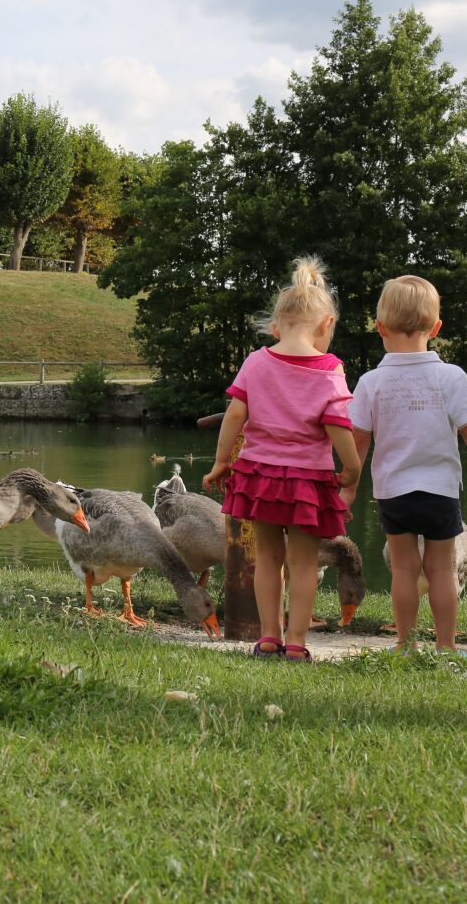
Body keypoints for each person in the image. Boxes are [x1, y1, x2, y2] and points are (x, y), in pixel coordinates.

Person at [342, 275, 467, 653]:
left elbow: (358, 441)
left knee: (405, 571)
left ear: (379, 328)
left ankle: (405, 643)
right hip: (440, 493)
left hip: (394, 494)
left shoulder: (371, 382)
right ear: (437, 328)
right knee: (441, 572)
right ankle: (446, 646)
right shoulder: (450, 376)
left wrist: (347, 488)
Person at [203, 257, 360, 662]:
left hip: (260, 474)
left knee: (268, 559)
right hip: (308, 480)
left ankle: (268, 637)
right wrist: (353, 467)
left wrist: (222, 460)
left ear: (275, 326)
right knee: (304, 564)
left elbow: (236, 415)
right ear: (326, 325)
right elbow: (338, 425)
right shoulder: (330, 370)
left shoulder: (256, 362)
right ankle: (296, 642)